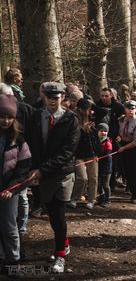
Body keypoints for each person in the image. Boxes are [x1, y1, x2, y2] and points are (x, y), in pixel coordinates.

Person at [26, 82, 80, 273]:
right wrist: (32, 167)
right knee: (51, 212)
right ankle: (63, 244)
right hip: (41, 173)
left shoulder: (71, 119)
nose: (51, 100)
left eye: (56, 97)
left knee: (58, 213)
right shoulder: (35, 116)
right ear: (44, 97)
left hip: (61, 173)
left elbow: (68, 151)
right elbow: (30, 143)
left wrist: (44, 168)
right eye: (48, 97)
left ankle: (60, 255)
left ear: (62, 97)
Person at [0, 95, 31, 275]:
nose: (5, 120)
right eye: (2, 116)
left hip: (10, 191)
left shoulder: (19, 140)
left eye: (9, 117)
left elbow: (23, 169)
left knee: (10, 226)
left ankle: (13, 261)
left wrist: (11, 189)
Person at [116, 100, 136, 203]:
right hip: (123, 146)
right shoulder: (121, 120)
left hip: (135, 149)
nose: (131, 111)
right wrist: (119, 137)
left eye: (133, 108)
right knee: (126, 171)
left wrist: (124, 148)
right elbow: (118, 132)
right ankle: (131, 189)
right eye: (128, 108)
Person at [96, 123, 113, 207]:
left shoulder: (108, 143)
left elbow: (107, 155)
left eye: (105, 131)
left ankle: (108, 198)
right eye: (101, 131)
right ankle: (102, 196)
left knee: (105, 184)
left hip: (106, 167)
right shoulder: (96, 141)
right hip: (98, 166)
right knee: (99, 184)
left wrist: (98, 157)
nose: (103, 133)